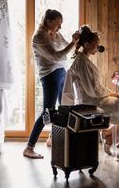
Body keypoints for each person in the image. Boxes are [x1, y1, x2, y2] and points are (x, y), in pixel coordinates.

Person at [62, 25, 119, 155]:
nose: (98, 47)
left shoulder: (83, 60)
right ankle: (109, 133)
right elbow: (92, 90)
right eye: (96, 44)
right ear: (87, 44)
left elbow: (93, 87)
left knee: (118, 100)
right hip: (92, 104)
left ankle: (108, 133)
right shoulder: (81, 62)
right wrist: (110, 92)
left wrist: (109, 93)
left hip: (92, 100)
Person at [23, 9, 80, 159]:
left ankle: (52, 138)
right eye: (58, 24)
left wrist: (77, 42)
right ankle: (29, 148)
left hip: (61, 72)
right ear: (48, 21)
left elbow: (68, 47)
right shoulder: (39, 37)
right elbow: (56, 56)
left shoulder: (56, 34)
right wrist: (73, 44)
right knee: (47, 112)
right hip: (50, 75)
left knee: (64, 108)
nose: (60, 27)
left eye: (61, 24)